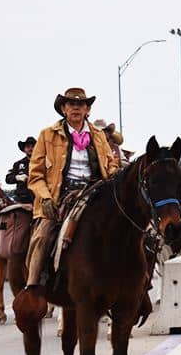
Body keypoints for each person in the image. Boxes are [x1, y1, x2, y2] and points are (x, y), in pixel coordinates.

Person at [23, 88, 120, 291]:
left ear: (87, 110)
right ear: (63, 109)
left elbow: (111, 164)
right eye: (70, 104)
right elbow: (36, 174)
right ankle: (32, 288)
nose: (76, 108)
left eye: (81, 105)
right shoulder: (47, 135)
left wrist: (113, 173)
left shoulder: (98, 135)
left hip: (96, 191)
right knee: (42, 236)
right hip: (61, 195)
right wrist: (46, 198)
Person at [6, 137, 37, 204]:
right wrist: (17, 177)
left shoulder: (43, 163)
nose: (30, 148)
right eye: (28, 146)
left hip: (39, 198)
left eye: (33, 146)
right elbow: (8, 178)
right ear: (24, 149)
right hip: (21, 199)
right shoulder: (18, 164)